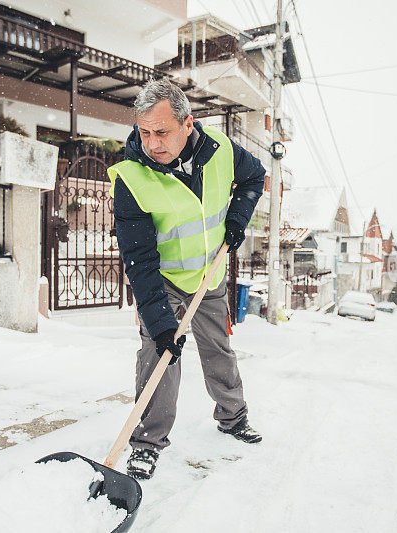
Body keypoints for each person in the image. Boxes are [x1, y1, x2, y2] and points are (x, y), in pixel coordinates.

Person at [107, 78, 266, 480]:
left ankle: (233, 417)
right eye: (144, 132)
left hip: (210, 272)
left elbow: (254, 177)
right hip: (163, 279)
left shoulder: (223, 150)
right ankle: (146, 443)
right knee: (159, 355)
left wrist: (237, 221)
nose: (152, 142)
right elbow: (139, 258)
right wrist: (161, 324)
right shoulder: (131, 178)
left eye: (162, 132)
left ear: (187, 124)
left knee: (218, 348)